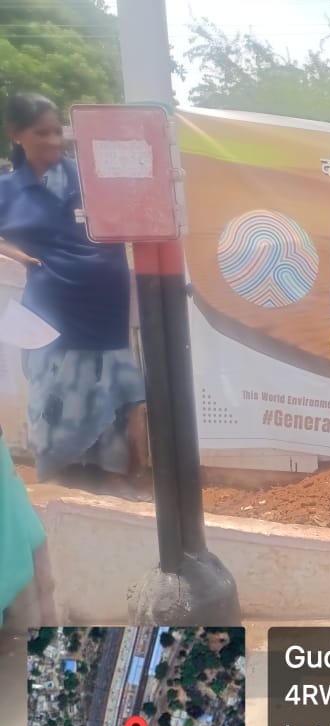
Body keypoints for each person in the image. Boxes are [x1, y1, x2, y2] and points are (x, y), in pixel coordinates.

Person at [0, 93, 146, 490]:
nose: (53, 140)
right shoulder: (9, 189)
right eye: (40, 132)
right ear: (17, 135)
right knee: (56, 404)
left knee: (122, 402)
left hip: (107, 310)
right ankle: (65, 490)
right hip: (50, 317)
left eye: (56, 130)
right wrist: (17, 254)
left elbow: (137, 207)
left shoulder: (92, 178)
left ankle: (123, 492)